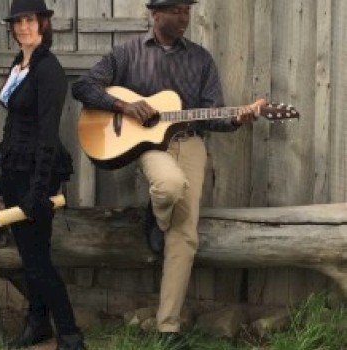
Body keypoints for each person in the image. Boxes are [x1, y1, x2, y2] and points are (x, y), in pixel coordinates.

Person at [72, 0, 260, 344]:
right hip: (150, 147)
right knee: (170, 185)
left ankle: (168, 328)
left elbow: (212, 113)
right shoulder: (127, 53)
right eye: (176, 10)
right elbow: (82, 87)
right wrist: (125, 105)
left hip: (189, 143)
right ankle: (158, 213)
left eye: (187, 10)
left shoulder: (201, 59)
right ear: (155, 14)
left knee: (185, 238)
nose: (184, 16)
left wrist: (236, 118)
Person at [0, 0, 85, 349]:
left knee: (38, 262)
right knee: (30, 258)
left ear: (43, 23)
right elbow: (13, 119)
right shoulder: (19, 63)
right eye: (17, 21)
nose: (22, 27)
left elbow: (47, 136)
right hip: (15, 170)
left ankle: (71, 334)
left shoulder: (49, 70)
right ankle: (38, 323)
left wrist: (36, 191)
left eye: (29, 20)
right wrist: (3, 163)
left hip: (37, 173)